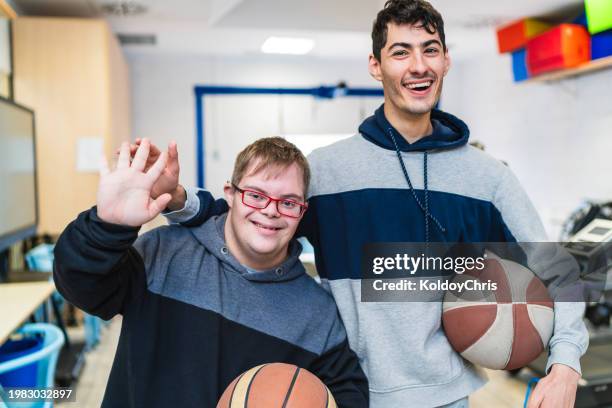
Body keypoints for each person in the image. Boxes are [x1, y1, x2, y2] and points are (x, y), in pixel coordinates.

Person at [154, 1, 588, 406]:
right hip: (344, 391)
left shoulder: (488, 178)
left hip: (447, 397)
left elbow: (555, 269)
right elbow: (250, 217)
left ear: (446, 61)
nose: (418, 66)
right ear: (376, 66)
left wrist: (565, 362)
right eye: (401, 52)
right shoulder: (325, 171)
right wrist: (180, 201)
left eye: (430, 50)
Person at [53, 137, 369, 407]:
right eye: (256, 196)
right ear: (230, 194)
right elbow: (82, 287)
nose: (270, 210)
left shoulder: (317, 314)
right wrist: (108, 225)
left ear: (302, 212)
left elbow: (349, 395)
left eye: (288, 202)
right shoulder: (164, 253)